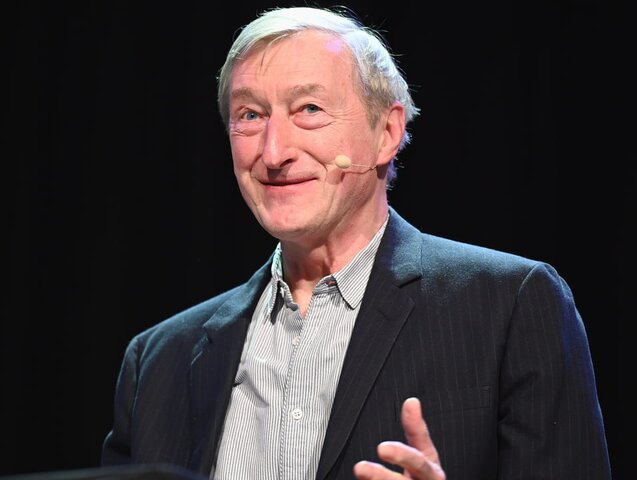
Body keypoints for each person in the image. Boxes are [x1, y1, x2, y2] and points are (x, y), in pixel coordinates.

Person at [101, 6, 611, 480]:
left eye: (309, 109)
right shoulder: (158, 362)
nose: (273, 153)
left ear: (386, 132)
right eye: (250, 115)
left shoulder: (510, 305)